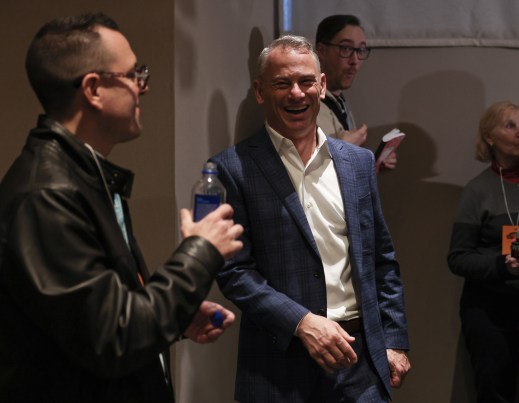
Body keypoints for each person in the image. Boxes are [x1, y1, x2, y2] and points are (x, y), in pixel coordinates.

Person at [0, 13, 243, 402]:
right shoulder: (46, 194)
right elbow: (113, 338)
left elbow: (100, 314)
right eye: (133, 75)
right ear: (93, 89)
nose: (142, 88)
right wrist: (200, 252)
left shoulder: (85, 172)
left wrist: (174, 315)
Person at [210, 35, 410, 402]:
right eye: (282, 84)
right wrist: (301, 323)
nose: (296, 94)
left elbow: (381, 258)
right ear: (259, 91)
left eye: (305, 82)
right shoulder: (230, 169)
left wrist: (393, 340)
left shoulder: (358, 163)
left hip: (360, 363)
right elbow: (233, 271)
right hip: (277, 369)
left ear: (321, 86)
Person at [448, 101, 519, 402]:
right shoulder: (477, 190)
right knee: (495, 391)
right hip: (489, 311)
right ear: (489, 137)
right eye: (510, 125)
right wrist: (502, 265)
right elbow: (458, 257)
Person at [315, 14, 397, 171]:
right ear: (321, 51)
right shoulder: (306, 105)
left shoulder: (338, 100)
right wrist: (342, 149)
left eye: (360, 50)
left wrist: (373, 166)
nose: (355, 61)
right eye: (345, 48)